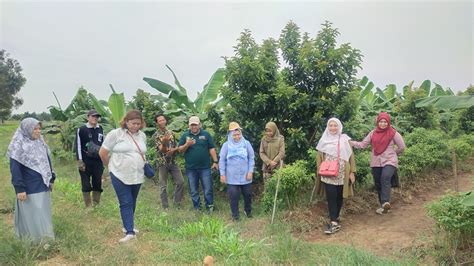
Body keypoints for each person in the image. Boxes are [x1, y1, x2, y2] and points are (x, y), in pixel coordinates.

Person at [99, 110, 147, 243]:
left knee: (133, 201)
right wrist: (110, 167)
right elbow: (102, 153)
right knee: (126, 201)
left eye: (138, 124)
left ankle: (128, 225)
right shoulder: (115, 134)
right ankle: (130, 232)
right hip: (119, 174)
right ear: (126, 121)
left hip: (137, 175)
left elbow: (142, 153)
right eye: (133, 123)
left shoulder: (142, 136)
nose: (136, 126)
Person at [8, 118, 56, 243]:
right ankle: (35, 242)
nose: (38, 131)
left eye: (39, 128)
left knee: (43, 211)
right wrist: (19, 188)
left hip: (43, 184)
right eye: (35, 128)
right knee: (33, 213)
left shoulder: (40, 142)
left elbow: (47, 161)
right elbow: (15, 169)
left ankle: (46, 240)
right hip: (29, 187)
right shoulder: (18, 146)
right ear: (27, 129)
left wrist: (51, 179)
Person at [350, 112, 405, 215]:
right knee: (378, 183)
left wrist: (393, 153)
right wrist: (350, 143)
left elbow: (402, 147)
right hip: (376, 162)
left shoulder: (393, 133)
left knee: (385, 178)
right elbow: (363, 145)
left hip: (390, 161)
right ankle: (383, 206)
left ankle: (385, 202)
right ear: (377, 122)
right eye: (381, 121)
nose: (383, 124)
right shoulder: (373, 133)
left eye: (385, 122)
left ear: (388, 122)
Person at [314, 118, 355, 234]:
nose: (333, 128)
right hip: (328, 174)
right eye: (330, 125)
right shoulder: (323, 140)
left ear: (339, 127)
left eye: (335, 125)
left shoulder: (345, 139)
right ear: (327, 127)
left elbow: (351, 156)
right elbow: (319, 157)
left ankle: (335, 218)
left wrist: (352, 171)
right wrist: (319, 170)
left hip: (342, 174)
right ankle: (333, 221)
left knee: (339, 196)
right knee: (331, 196)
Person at [178, 116, 218, 213]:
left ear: (199, 125)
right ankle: (197, 208)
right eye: (192, 125)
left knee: (208, 188)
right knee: (193, 190)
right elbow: (180, 150)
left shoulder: (206, 134)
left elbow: (211, 148)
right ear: (189, 126)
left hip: (205, 167)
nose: (194, 126)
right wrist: (187, 144)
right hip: (191, 168)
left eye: (195, 124)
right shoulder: (185, 136)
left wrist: (215, 162)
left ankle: (210, 207)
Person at [219, 122, 255, 221]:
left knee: (247, 194)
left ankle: (248, 212)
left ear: (241, 133)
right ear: (230, 134)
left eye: (238, 134)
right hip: (231, 176)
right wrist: (222, 174)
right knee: (233, 196)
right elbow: (222, 160)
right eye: (234, 135)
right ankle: (235, 216)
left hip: (245, 175)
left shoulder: (246, 143)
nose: (237, 137)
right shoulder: (226, 145)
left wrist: (250, 171)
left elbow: (251, 158)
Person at [152, 114, 184, 210]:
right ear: (157, 123)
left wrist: (173, 150)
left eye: (163, 120)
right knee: (163, 186)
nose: (162, 122)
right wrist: (164, 142)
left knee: (180, 182)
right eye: (159, 121)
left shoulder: (171, 133)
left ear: (165, 121)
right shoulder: (156, 135)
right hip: (162, 163)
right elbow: (161, 150)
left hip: (173, 162)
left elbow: (176, 146)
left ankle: (177, 203)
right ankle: (165, 206)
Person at [75, 109, 104, 207]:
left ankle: (96, 204)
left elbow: (103, 144)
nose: (95, 118)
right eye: (93, 116)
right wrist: (80, 160)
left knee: (97, 182)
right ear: (88, 117)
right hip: (85, 161)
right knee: (86, 184)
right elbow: (78, 145)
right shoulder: (82, 129)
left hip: (98, 161)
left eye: (96, 117)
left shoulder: (100, 129)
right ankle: (88, 205)